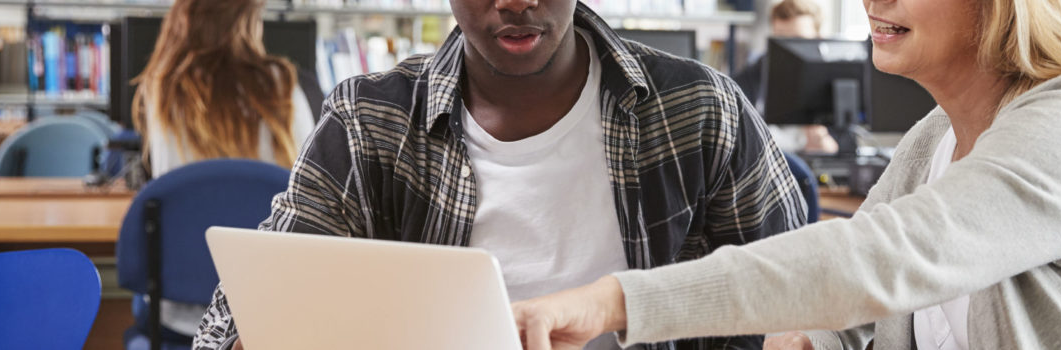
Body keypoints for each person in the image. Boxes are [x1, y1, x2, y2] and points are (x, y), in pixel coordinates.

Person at [511, 0, 1061, 349]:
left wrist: (615, 302)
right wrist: (812, 339)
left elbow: (878, 262)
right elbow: (856, 316)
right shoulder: (934, 142)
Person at [192, 1, 808, 349]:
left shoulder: (700, 109)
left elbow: (803, 295)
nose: (517, 1)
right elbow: (237, 317)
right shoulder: (370, 118)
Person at [127, 0, 316, 342]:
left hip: (179, 315)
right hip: (265, 314)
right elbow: (309, 193)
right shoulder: (284, 87)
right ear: (247, 20)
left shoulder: (162, 91)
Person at [133, 0, 315, 178]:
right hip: (268, 208)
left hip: (190, 209)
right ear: (247, 22)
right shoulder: (281, 84)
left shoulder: (162, 90)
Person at [733, 0, 839, 155]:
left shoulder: (834, 81)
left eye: (798, 40)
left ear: (818, 38)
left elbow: (846, 144)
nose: (789, 51)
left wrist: (825, 142)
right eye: (781, 41)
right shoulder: (748, 80)